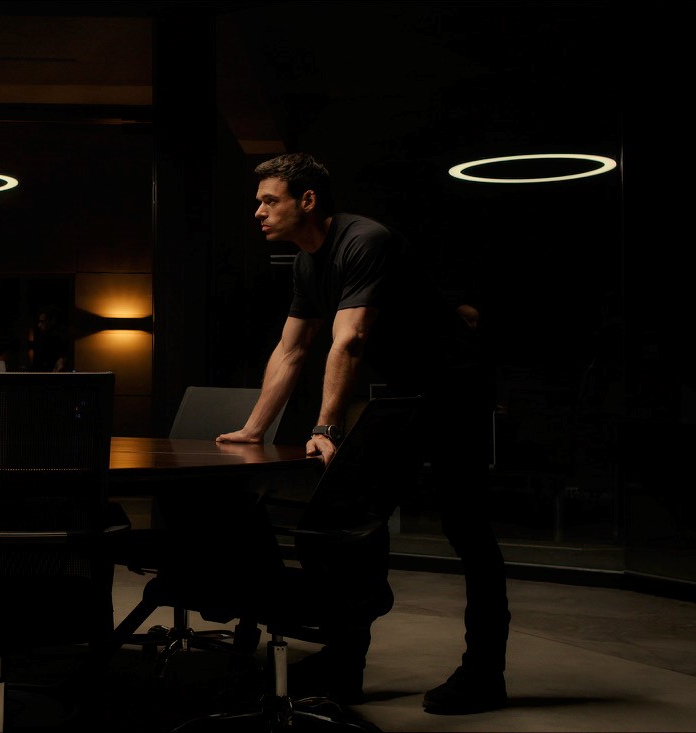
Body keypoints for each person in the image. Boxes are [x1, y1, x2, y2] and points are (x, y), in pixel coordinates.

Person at [217, 153, 510, 715]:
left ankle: (484, 672)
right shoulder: (306, 264)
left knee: (466, 526)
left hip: (456, 385)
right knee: (341, 519)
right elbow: (292, 349)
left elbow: (349, 339)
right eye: (258, 202)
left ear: (307, 200)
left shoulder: (364, 241)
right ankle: (344, 661)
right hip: (408, 389)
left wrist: (326, 427)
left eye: (269, 200)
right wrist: (253, 428)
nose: (258, 211)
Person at [26, 305, 73, 372]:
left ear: (53, 321)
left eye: (42, 321)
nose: (39, 325)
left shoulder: (67, 338)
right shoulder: (43, 338)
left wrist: (64, 360)